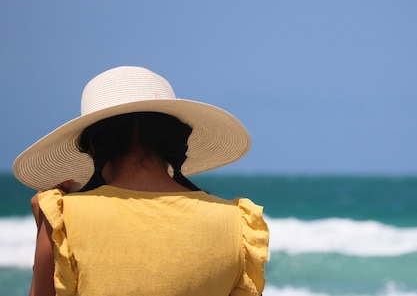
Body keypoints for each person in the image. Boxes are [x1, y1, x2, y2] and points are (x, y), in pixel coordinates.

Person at [13, 66, 269, 296]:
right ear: (176, 140)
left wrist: (48, 229)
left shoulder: (62, 219)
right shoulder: (239, 224)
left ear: (92, 144)